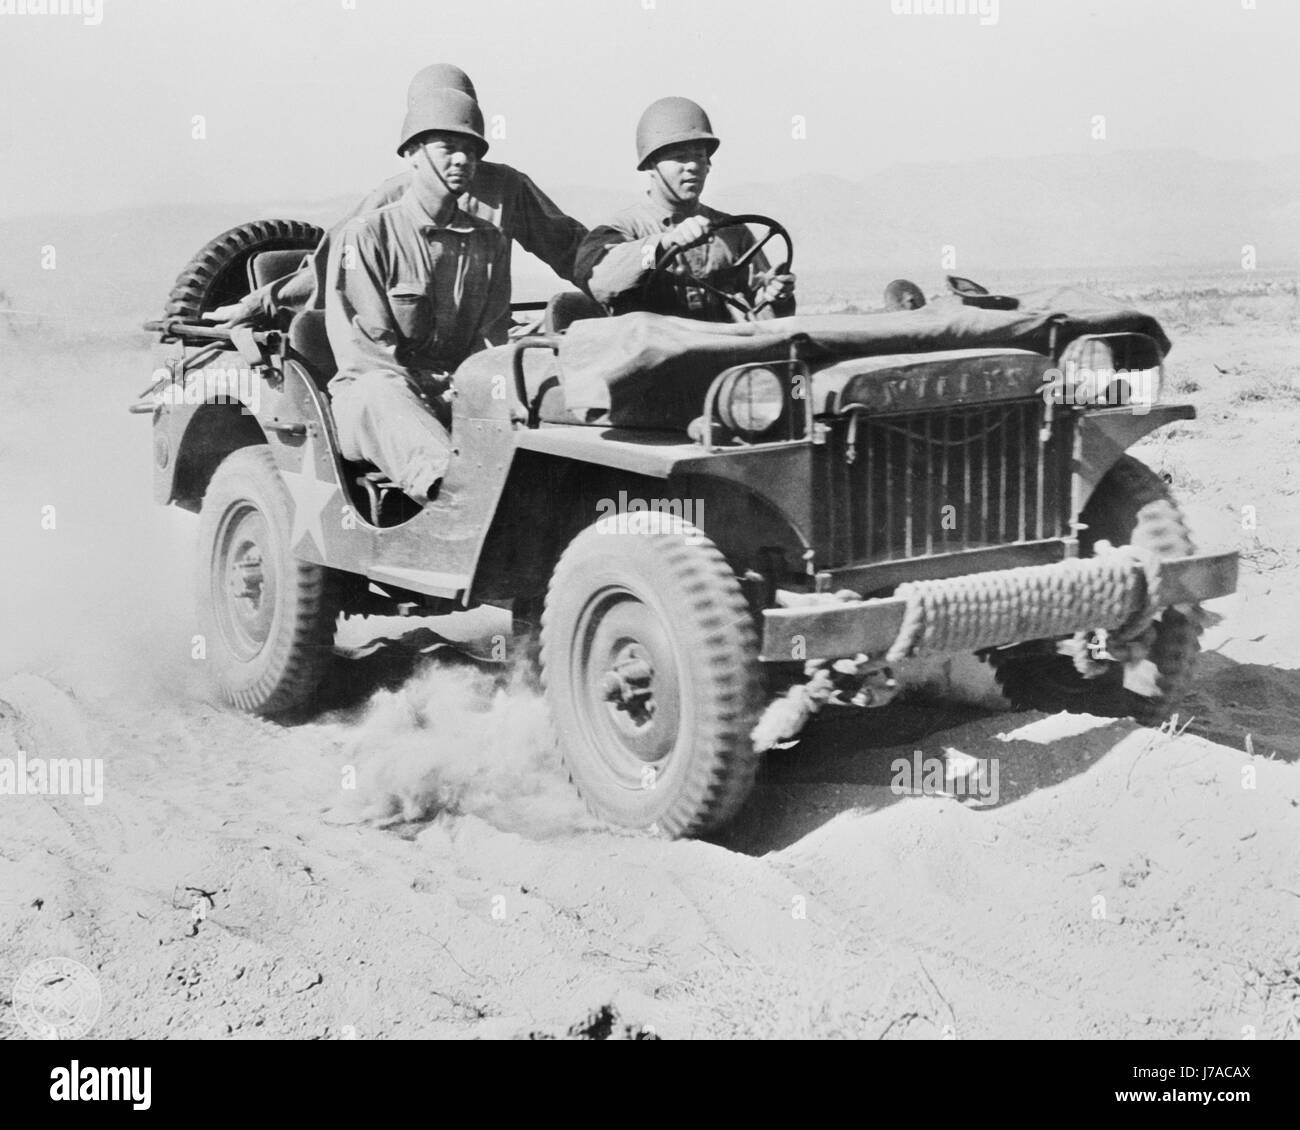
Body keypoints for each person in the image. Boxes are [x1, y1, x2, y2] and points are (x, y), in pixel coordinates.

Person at [214, 64, 586, 324]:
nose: (457, 155)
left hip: (482, 349)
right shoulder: (391, 198)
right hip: (410, 348)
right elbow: (332, 265)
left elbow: (573, 250)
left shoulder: (508, 188)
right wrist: (260, 302)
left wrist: (633, 284)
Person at [323, 88, 510, 505]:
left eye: (471, 151)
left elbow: (493, 342)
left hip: (457, 394)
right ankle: (453, 500)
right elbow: (367, 355)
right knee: (380, 391)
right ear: (412, 153)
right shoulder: (367, 235)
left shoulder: (490, 240)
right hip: (380, 401)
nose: (462, 160)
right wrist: (438, 391)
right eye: (448, 148)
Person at [574, 96, 795, 321]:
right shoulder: (625, 230)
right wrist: (665, 243)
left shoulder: (733, 233)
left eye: (700, 157)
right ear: (651, 165)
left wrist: (775, 295)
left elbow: (763, 306)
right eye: (680, 158)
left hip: (726, 350)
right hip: (657, 352)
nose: (693, 166)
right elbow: (602, 281)